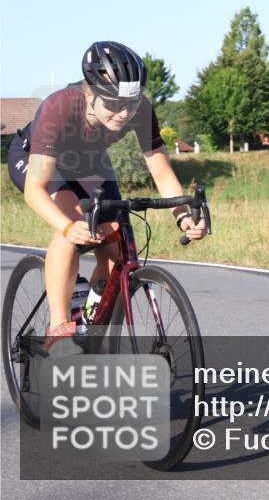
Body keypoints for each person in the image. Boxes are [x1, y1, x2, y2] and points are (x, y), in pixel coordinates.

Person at [6, 41, 207, 349]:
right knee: (72, 226)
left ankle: (90, 315)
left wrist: (182, 217)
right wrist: (69, 227)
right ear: (90, 94)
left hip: (89, 162)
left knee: (117, 250)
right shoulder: (59, 108)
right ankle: (59, 328)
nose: (124, 113)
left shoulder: (139, 109)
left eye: (130, 103)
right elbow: (35, 191)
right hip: (38, 159)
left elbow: (161, 171)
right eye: (113, 104)